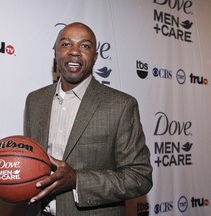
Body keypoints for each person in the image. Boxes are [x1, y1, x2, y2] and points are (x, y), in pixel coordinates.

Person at [23, 22, 153, 216]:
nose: (74, 51)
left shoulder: (121, 105)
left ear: (95, 57)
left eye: (85, 46)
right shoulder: (35, 100)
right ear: (55, 53)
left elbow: (139, 177)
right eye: (66, 44)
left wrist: (77, 180)